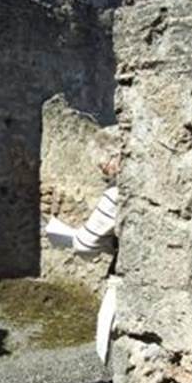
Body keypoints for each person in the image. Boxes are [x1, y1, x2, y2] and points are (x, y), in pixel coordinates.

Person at [46, 155, 120, 364]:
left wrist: (72, 238)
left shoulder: (115, 193)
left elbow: (86, 244)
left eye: (106, 162)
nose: (103, 169)